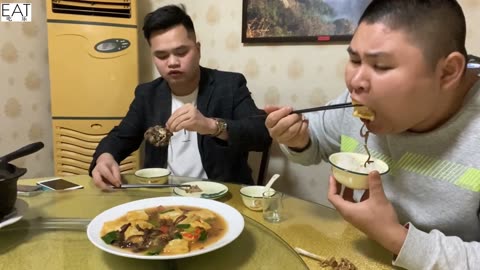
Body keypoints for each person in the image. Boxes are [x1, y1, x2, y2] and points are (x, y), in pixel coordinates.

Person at [265, 0, 479, 269]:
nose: (356, 82)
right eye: (354, 59)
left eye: (381, 66)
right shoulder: (357, 101)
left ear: (447, 72)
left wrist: (397, 238)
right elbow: (314, 142)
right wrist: (297, 140)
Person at [90, 4, 271, 189]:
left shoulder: (230, 85)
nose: (173, 62)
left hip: (222, 196)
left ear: (198, 50)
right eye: (161, 56)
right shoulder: (147, 94)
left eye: (182, 52)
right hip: (163, 196)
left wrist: (211, 126)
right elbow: (121, 137)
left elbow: (262, 134)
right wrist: (105, 157)